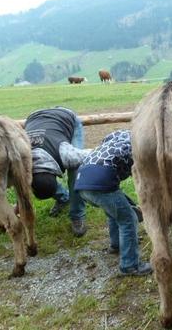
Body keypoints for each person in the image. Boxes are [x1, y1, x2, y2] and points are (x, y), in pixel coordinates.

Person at [74, 129, 152, 276]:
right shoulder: (140, 145)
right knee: (128, 219)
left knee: (114, 213)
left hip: (81, 181)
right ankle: (130, 265)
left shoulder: (119, 135)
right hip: (100, 181)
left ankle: (116, 245)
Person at [25, 107, 89, 237]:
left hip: (66, 117)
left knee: (76, 171)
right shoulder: (20, 161)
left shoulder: (66, 154)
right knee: (42, 183)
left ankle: (77, 215)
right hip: (34, 117)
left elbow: (92, 155)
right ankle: (63, 199)